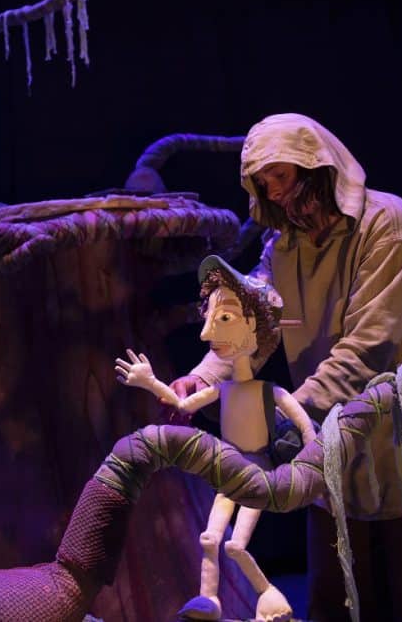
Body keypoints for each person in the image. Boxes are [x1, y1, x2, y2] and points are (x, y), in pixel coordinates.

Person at [170, 112, 402, 621]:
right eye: (262, 183)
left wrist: (285, 418)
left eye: (281, 175)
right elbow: (250, 321)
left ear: (316, 165)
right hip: (338, 457)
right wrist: (201, 379)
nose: (274, 192)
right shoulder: (283, 247)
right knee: (336, 608)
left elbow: (365, 351)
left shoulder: (391, 227)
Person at [117, 254, 316, 621]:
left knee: (236, 545)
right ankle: (209, 600)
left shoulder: (269, 393)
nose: (206, 333)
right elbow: (182, 402)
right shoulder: (222, 389)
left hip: (257, 473)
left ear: (254, 325)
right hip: (228, 467)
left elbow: (307, 430)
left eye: (221, 319)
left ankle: (269, 595)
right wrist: (150, 381)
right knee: (210, 539)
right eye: (208, 318)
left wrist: (310, 462)